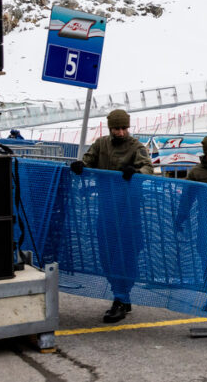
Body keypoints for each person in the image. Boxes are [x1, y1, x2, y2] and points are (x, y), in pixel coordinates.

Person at [69, 109, 153, 323]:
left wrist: (135, 173)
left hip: (129, 209)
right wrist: (81, 166)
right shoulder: (101, 144)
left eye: (124, 128)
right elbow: (88, 159)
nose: (121, 132)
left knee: (127, 253)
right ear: (110, 128)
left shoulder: (136, 147)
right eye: (117, 128)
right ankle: (121, 295)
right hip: (106, 207)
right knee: (106, 253)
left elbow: (148, 168)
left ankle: (120, 297)